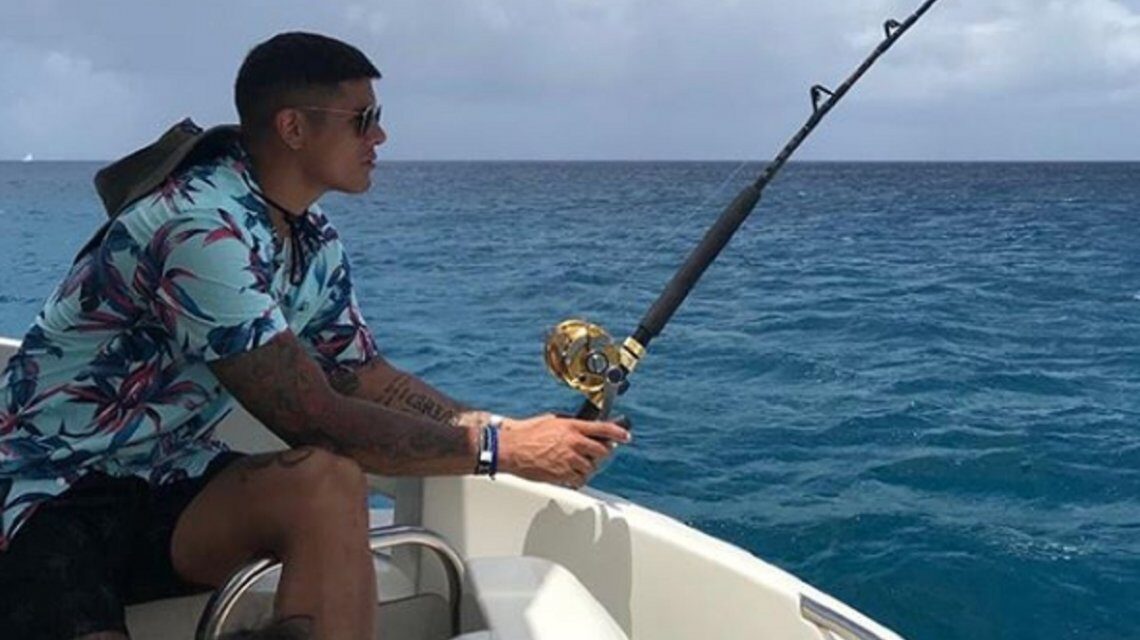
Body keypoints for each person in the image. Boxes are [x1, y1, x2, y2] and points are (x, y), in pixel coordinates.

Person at [0, 31, 630, 640]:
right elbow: (316, 419)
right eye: (364, 119)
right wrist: (500, 451)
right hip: (41, 495)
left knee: (327, 484)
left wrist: (511, 429)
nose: (380, 136)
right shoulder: (197, 227)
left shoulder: (309, 235)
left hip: (165, 479)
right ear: (294, 128)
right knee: (327, 452)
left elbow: (362, 376)